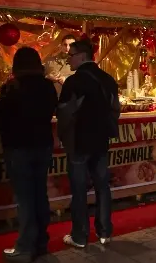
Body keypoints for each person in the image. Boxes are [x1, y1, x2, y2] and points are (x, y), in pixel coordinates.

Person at [0, 47, 58, 262]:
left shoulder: (11, 88)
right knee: (40, 193)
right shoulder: (48, 87)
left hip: (19, 146)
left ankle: (25, 246)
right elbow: (53, 110)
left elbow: (0, 118)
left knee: (25, 198)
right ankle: (41, 241)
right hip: (42, 144)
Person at [57, 40, 120, 249]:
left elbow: (65, 114)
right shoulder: (108, 79)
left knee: (79, 189)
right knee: (102, 186)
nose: (68, 59)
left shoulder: (73, 83)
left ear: (82, 56)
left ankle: (80, 236)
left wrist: (63, 136)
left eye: (71, 55)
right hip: (101, 141)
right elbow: (115, 109)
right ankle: (104, 233)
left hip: (79, 141)